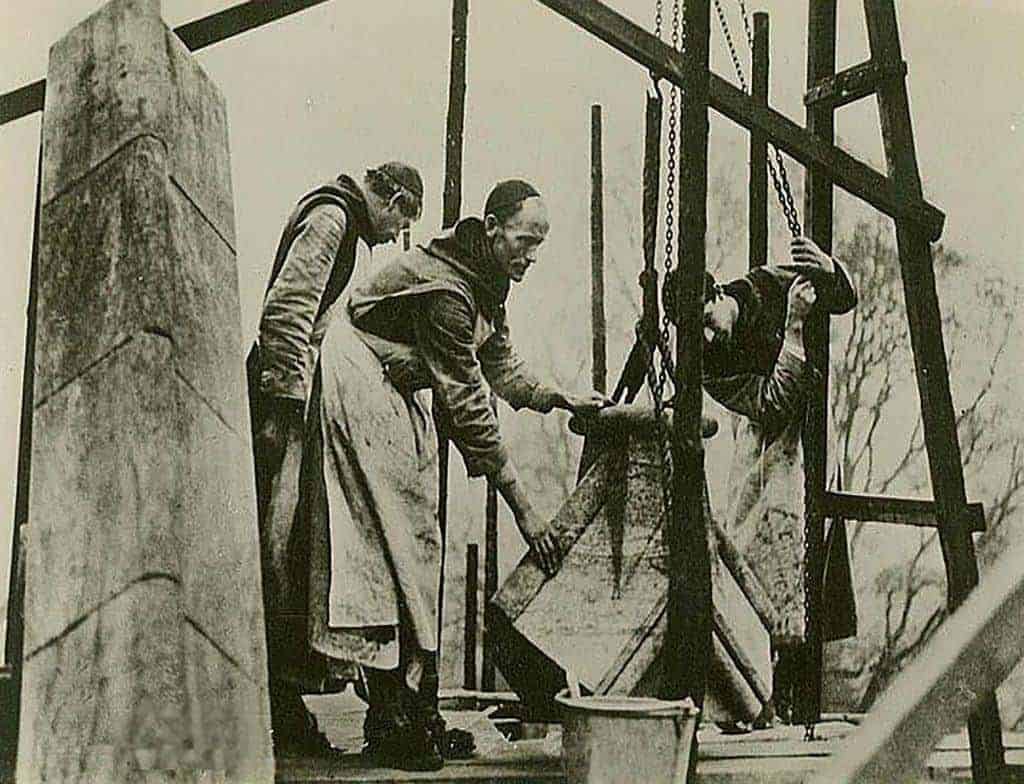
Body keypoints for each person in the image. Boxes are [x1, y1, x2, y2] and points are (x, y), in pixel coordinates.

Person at [302, 179, 610, 770]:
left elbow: (502, 368)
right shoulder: (446, 290)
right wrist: (523, 509)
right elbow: (470, 405)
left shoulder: (482, 284)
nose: (529, 256)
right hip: (358, 378)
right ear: (492, 228)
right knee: (388, 544)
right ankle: (396, 717)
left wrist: (562, 398)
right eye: (523, 240)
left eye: (538, 246)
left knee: (415, 544)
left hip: (393, 385)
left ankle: (410, 710)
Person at [246, 161, 424, 756]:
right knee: (276, 544)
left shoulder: (341, 222)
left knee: (288, 546)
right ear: (392, 199)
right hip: (284, 397)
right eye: (402, 218)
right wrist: (283, 406)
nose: (395, 234)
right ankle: (274, 700)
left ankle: (282, 700)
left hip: (294, 395)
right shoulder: (332, 219)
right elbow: (288, 311)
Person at [667, 236, 859, 725]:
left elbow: (841, 301)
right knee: (746, 538)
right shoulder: (707, 362)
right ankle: (757, 680)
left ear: (716, 297)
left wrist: (831, 271)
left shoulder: (764, 285)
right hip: (763, 430)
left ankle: (794, 674)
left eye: (708, 323)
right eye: (697, 334)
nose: (709, 339)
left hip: (807, 433)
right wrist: (794, 326)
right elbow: (771, 403)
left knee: (795, 530)